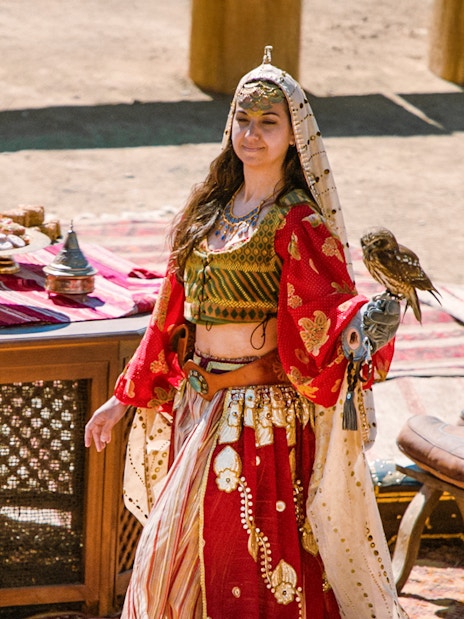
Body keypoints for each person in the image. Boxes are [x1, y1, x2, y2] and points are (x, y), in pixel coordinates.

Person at [85, 47, 407, 618]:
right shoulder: (209, 210)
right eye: (243, 119)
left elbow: (328, 313)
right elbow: (169, 314)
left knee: (245, 560)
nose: (252, 134)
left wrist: (363, 325)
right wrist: (121, 399)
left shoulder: (298, 221)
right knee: (176, 555)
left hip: (260, 416)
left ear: (294, 135)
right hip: (197, 404)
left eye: (268, 122)